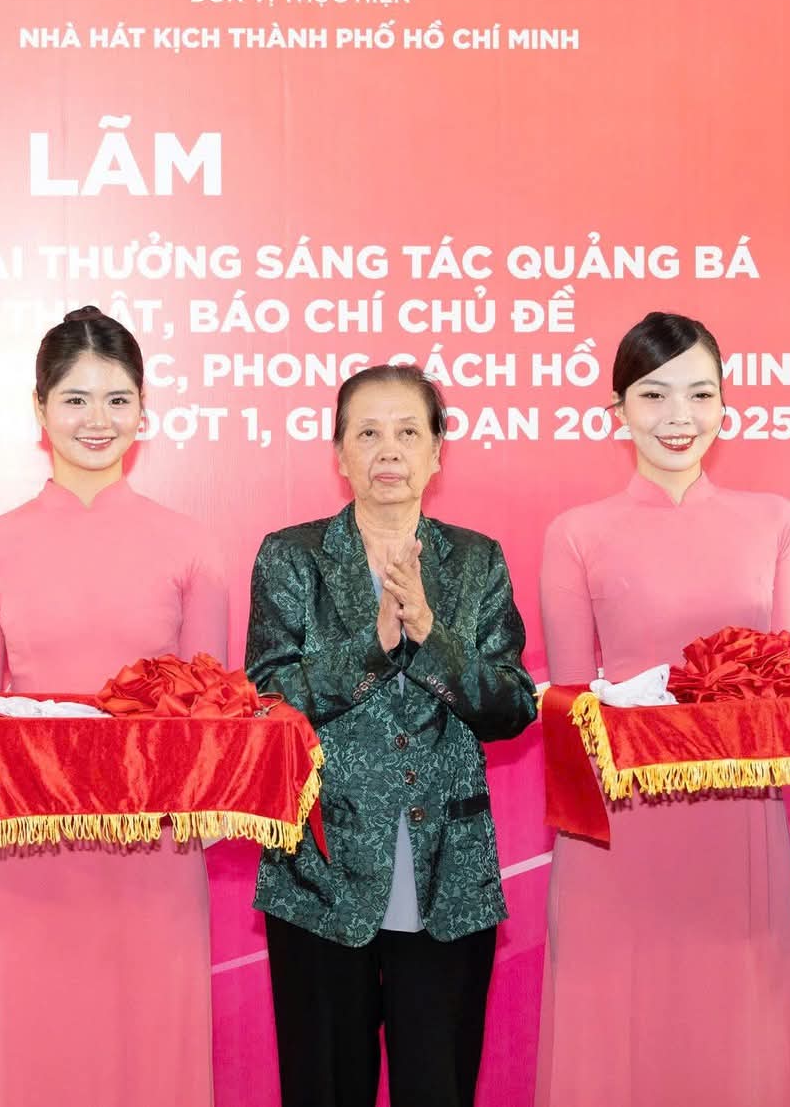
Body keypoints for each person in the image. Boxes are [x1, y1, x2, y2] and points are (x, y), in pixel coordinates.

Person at [0, 306, 230, 1107]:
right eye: (74, 399)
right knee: (31, 1050)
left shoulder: (192, 545)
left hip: (155, 844)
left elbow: (212, 711)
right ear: (39, 409)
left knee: (149, 1052)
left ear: (143, 409)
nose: (96, 420)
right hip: (26, 841)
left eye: (116, 399)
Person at [534, 312, 790, 1106]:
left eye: (700, 393)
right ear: (617, 411)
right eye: (653, 395)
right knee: (617, 1027)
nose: (678, 416)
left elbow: (785, 680)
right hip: (620, 821)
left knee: (733, 1029)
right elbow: (571, 704)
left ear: (725, 405)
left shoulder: (775, 521)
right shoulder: (576, 533)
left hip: (738, 809)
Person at [249, 363, 536, 1107]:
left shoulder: (476, 560)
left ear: (437, 452)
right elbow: (266, 704)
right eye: (368, 433)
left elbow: (512, 706)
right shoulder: (292, 556)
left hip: (448, 873)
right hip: (320, 872)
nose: (389, 450)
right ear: (339, 453)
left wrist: (431, 637)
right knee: (323, 1086)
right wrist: (373, 646)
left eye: (409, 432)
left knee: (437, 1087)